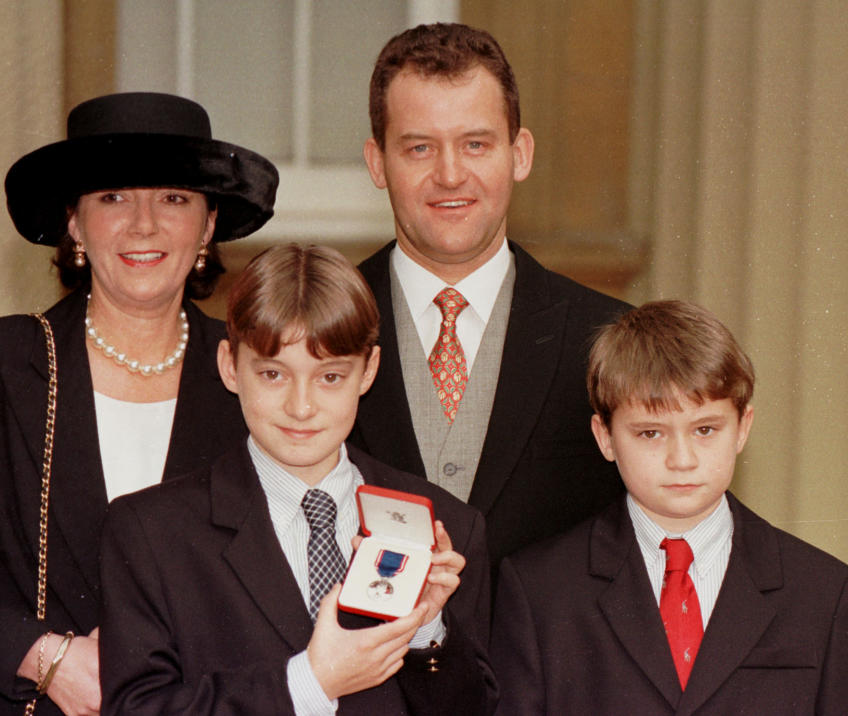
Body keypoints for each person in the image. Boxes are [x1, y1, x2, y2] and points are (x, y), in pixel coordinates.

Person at [0, 92, 278, 715]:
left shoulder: (261, 374)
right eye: (113, 197)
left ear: (208, 224)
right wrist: (43, 660)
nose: (144, 223)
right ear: (74, 220)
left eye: (174, 198)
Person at [98, 244, 495, 715]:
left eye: (330, 377)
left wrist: (429, 631)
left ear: (367, 370)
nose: (301, 407)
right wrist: (310, 683)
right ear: (230, 366)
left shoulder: (447, 526)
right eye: (272, 374)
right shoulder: (150, 531)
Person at [351, 22, 630, 576]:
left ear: (519, 154)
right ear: (378, 162)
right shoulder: (316, 330)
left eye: (475, 144)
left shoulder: (607, 338)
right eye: (419, 148)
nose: (450, 175)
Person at [490, 299, 848, 714]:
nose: (683, 459)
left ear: (743, 428)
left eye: (705, 429)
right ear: (604, 436)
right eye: (650, 434)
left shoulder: (824, 591)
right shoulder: (540, 591)